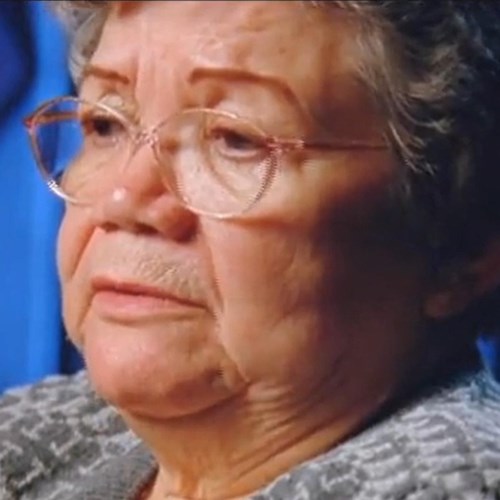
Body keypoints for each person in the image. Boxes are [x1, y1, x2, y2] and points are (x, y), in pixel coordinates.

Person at [2, 1, 500, 498]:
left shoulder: (445, 484)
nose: (123, 199)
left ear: (462, 248)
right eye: (104, 124)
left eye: (235, 139)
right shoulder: (30, 436)